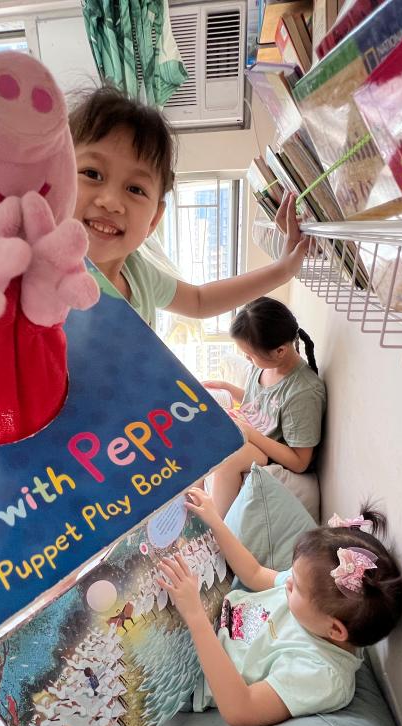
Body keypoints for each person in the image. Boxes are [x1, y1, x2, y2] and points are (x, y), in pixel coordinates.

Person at [157, 488, 402, 726]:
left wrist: (194, 615)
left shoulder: (322, 673)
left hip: (189, 677)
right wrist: (215, 522)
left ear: (336, 630)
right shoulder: (315, 604)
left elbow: (241, 710)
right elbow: (255, 573)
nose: (287, 582)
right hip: (202, 616)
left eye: (297, 586)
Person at [68, 86, 309, 329]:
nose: (110, 201)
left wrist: (283, 270)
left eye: (135, 189)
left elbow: (199, 301)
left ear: (154, 220)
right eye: (92, 174)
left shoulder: (137, 273)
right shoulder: (47, 288)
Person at [202, 297, 326, 515]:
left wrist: (249, 433)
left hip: (272, 452)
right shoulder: (265, 367)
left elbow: (300, 462)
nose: (246, 358)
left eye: (250, 355)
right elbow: (261, 402)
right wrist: (227, 387)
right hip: (252, 431)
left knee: (229, 458)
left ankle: (215, 524)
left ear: (280, 351)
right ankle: (192, 499)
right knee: (201, 424)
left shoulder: (303, 392)